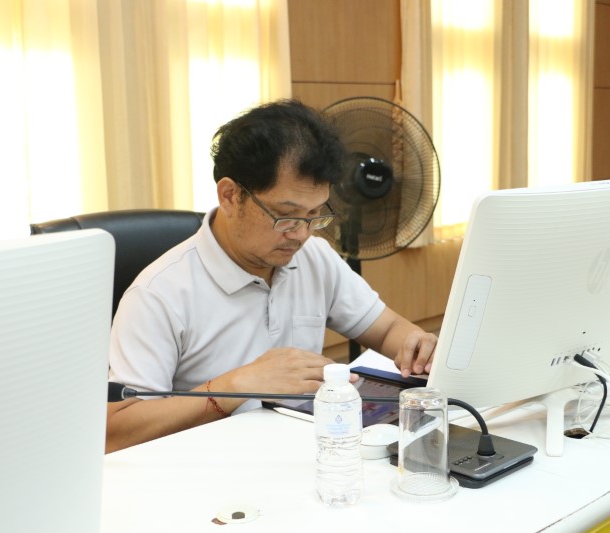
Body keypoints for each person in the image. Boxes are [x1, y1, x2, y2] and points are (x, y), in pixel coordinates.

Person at [106, 99, 438, 453]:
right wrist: (235, 386)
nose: (301, 234)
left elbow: (385, 329)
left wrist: (416, 345)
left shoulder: (313, 256)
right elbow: (116, 431)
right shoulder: (159, 294)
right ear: (230, 195)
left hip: (304, 453)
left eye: (314, 215)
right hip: (212, 466)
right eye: (286, 215)